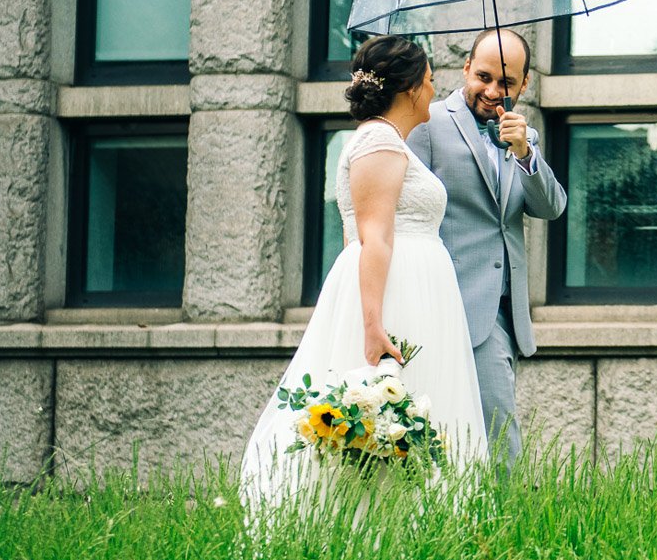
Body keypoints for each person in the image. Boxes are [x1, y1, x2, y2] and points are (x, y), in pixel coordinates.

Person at [240, 35, 487, 507]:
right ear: (411, 88)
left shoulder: (390, 142)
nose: (435, 90)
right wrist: (372, 326)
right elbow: (371, 237)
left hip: (414, 291)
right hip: (395, 295)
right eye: (431, 81)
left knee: (410, 414)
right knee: (392, 410)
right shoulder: (377, 139)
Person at [407, 27, 566, 465]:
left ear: (524, 84)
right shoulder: (429, 125)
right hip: (446, 303)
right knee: (482, 436)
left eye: (507, 83)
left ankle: (492, 527)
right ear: (465, 68)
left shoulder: (523, 137)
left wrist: (525, 154)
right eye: (483, 77)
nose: (493, 91)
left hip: (503, 310)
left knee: (488, 433)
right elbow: (407, 210)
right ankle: (493, 526)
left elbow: (551, 208)